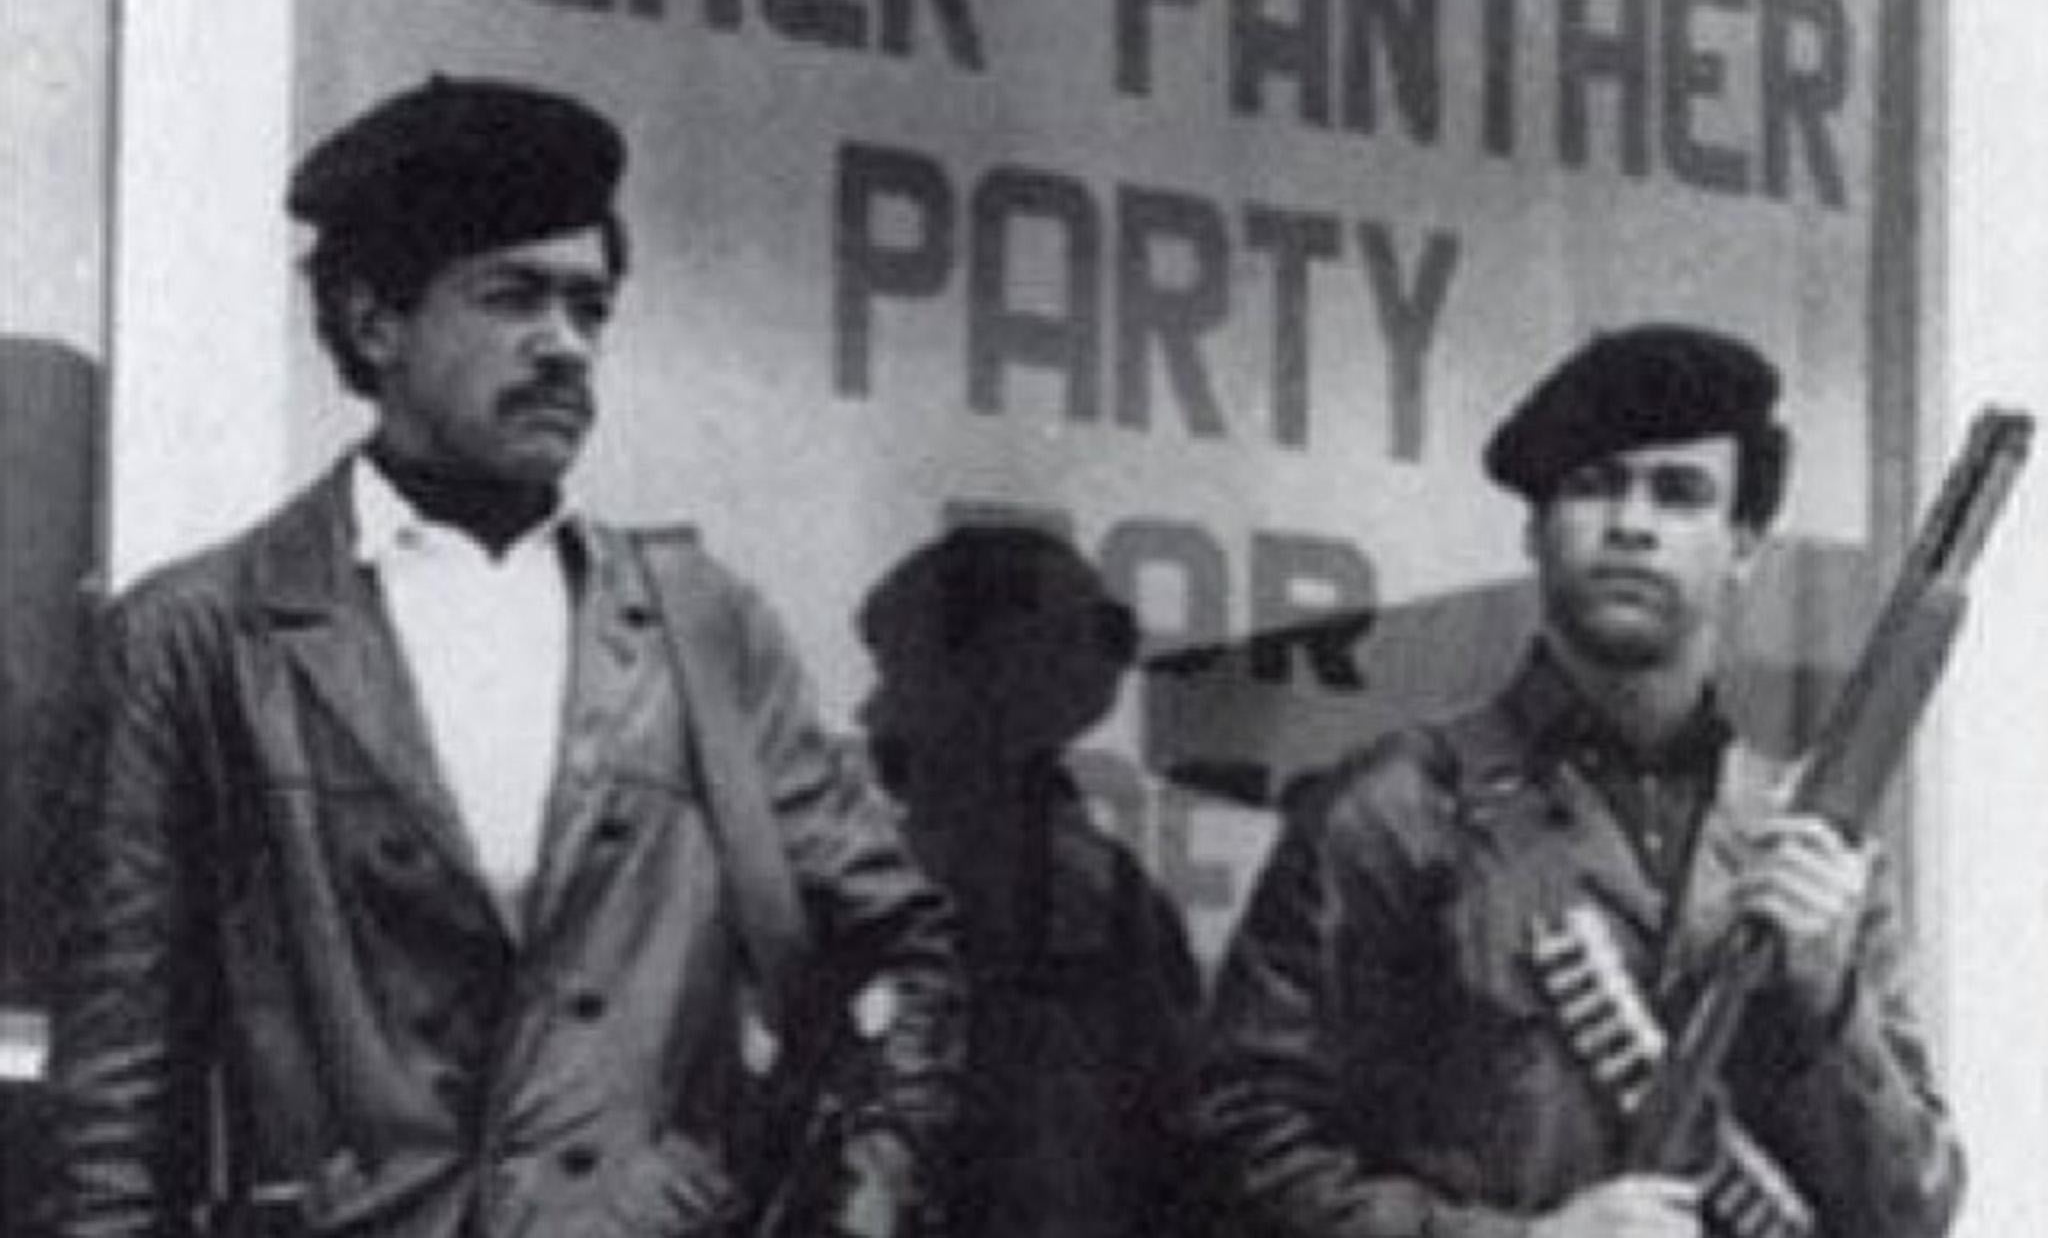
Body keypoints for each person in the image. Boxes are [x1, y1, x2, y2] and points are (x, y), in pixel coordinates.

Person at [44, 75, 964, 1238]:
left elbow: (897, 946)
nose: (565, 347)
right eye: (514, 298)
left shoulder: (698, 628)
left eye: (590, 309)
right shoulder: (203, 635)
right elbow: (118, 1091)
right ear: (377, 321)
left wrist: (853, 1201)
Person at [1194, 324, 1965, 1238]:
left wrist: (1824, 998)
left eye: (1680, 495)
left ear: (1745, 544)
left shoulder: (1807, 846)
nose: (1631, 524)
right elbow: (1237, 1153)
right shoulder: (1395, 812)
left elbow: (1911, 1211)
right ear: (1536, 529)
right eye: (1594, 485)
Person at [854, 526, 1204, 1238]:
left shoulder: (1042, 895)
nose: (871, 713)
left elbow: (1056, 1185)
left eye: (897, 675)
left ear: (982, 683)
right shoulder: (1069, 877)